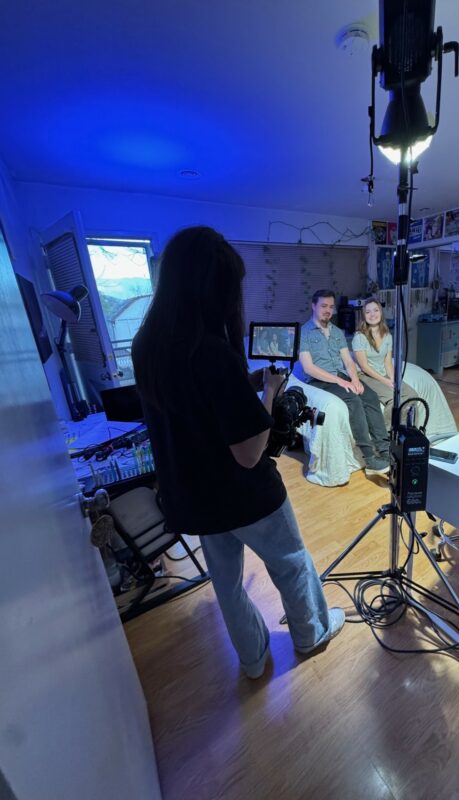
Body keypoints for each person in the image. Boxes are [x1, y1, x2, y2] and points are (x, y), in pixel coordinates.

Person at [131, 227, 344, 680]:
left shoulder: (147, 345)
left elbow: (195, 408)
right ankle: (311, 634)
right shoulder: (212, 351)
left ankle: (251, 660)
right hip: (245, 496)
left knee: (226, 585)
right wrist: (268, 392)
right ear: (212, 290)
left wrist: (243, 388)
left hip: (195, 498)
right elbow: (250, 453)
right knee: (291, 562)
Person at [298, 289, 390, 476]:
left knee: (370, 396)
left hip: (341, 376)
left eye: (331, 307)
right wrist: (340, 381)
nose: (328, 310)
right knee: (353, 400)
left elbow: (348, 361)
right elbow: (308, 368)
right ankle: (370, 458)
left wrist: (355, 380)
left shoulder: (338, 332)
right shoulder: (303, 333)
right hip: (320, 380)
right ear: (313, 306)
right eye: (323, 306)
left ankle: (385, 450)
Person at [351, 298, 419, 428]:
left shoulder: (387, 336)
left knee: (412, 395)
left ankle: (410, 430)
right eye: (368, 312)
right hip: (366, 376)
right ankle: (388, 433)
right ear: (364, 316)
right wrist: (385, 381)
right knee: (393, 399)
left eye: (375, 310)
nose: (372, 314)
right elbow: (364, 367)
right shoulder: (359, 337)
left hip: (383, 373)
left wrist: (393, 379)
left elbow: (388, 363)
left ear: (381, 312)